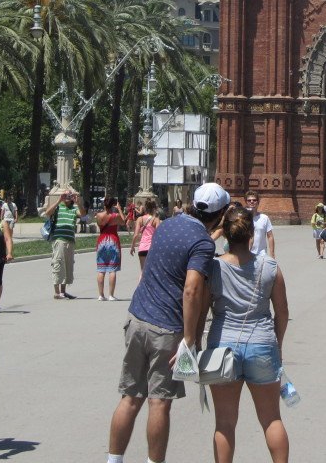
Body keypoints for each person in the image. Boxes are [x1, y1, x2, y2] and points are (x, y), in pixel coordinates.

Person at [106, 182, 230, 463]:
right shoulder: (203, 242)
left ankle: (113, 461)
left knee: (130, 397)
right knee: (159, 402)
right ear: (220, 213)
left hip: (137, 317)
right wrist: (189, 337)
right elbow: (191, 289)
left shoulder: (168, 224)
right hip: (166, 328)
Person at [206, 205, 290, 463]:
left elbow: (200, 306)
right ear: (252, 233)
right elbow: (282, 312)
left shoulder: (212, 268)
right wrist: (277, 344)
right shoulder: (270, 267)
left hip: (222, 345)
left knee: (224, 423)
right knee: (271, 419)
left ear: (226, 233)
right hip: (262, 344)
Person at [42, 190, 86, 299]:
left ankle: (63, 291)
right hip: (59, 240)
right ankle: (57, 292)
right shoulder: (58, 207)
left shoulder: (73, 209)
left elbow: (83, 214)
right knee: (58, 263)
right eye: (65, 195)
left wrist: (78, 202)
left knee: (67, 266)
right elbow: (47, 213)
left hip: (70, 240)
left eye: (69, 195)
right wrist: (58, 200)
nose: (67, 197)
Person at [96, 196, 127, 301]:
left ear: (104, 205)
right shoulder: (116, 216)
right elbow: (123, 222)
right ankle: (111, 295)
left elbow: (100, 225)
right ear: (113, 205)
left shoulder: (99, 215)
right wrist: (119, 209)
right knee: (112, 269)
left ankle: (101, 295)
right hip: (113, 241)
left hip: (102, 241)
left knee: (101, 269)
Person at [129, 198, 161, 275]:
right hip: (152, 248)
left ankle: (141, 286)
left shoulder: (140, 219)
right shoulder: (156, 220)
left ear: (145, 208)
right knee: (153, 272)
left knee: (143, 272)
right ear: (154, 209)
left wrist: (132, 246)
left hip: (142, 248)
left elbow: (136, 234)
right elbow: (159, 235)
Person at [244, 191, 276, 258]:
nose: (252, 202)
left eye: (254, 200)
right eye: (249, 200)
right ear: (246, 202)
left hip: (261, 254)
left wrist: (272, 254)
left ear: (258, 202)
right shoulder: (242, 218)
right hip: (245, 255)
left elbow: (270, 236)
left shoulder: (264, 218)